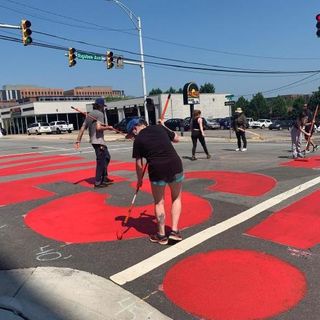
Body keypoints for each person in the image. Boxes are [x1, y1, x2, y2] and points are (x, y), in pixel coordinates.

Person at [127, 118, 184, 245]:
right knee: (176, 198)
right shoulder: (159, 128)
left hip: (157, 170)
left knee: (159, 202)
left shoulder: (138, 140)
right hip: (175, 165)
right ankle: (174, 231)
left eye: (131, 134)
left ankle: (161, 235)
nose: (131, 137)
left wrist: (139, 179)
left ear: (135, 129)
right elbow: (177, 138)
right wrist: (164, 126)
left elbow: (139, 164)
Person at [75, 98, 114, 188]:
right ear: (101, 106)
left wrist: (78, 140)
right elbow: (98, 128)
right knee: (100, 161)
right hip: (98, 141)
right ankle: (97, 181)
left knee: (107, 157)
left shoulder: (89, 115)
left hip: (94, 141)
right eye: (103, 106)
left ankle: (104, 177)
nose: (104, 108)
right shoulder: (100, 114)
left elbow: (82, 128)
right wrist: (109, 127)